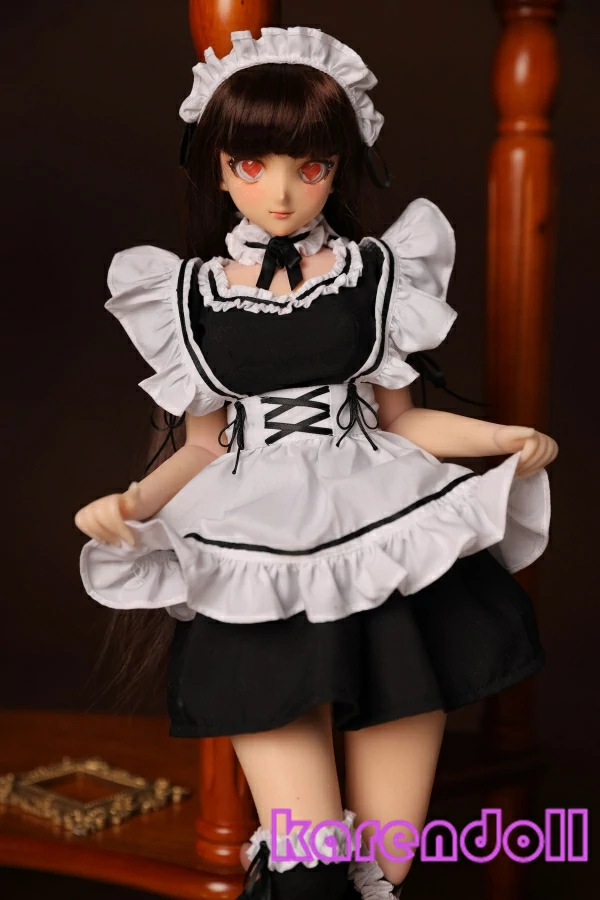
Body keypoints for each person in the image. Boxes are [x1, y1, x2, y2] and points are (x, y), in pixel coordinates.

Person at [75, 26, 558, 900]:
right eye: (252, 165)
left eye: (310, 166)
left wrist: (503, 440)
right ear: (218, 168)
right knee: (309, 858)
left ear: (340, 166)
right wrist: (134, 503)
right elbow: (202, 444)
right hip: (257, 567)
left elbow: (404, 421)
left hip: (385, 548)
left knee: (389, 860)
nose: (282, 191)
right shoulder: (191, 297)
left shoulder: (377, 275)